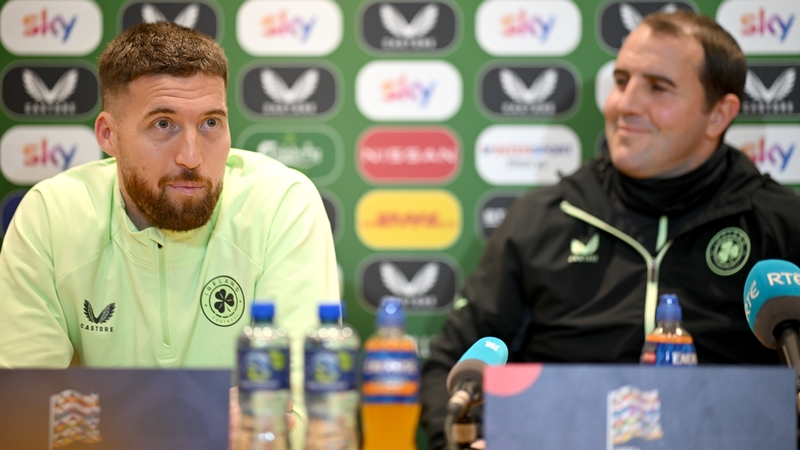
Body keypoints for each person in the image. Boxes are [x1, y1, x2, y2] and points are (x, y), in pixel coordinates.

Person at [421, 10, 800, 450]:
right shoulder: (542, 218)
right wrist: (467, 440)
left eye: (658, 87)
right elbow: (448, 370)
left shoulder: (781, 225)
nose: (625, 104)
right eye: (622, 81)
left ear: (718, 114)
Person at [0, 22, 338, 449]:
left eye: (211, 123)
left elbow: (307, 415)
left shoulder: (281, 202)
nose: (192, 156)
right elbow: (21, 416)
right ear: (109, 135)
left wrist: (101, 416)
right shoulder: (52, 213)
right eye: (164, 124)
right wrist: (200, 420)